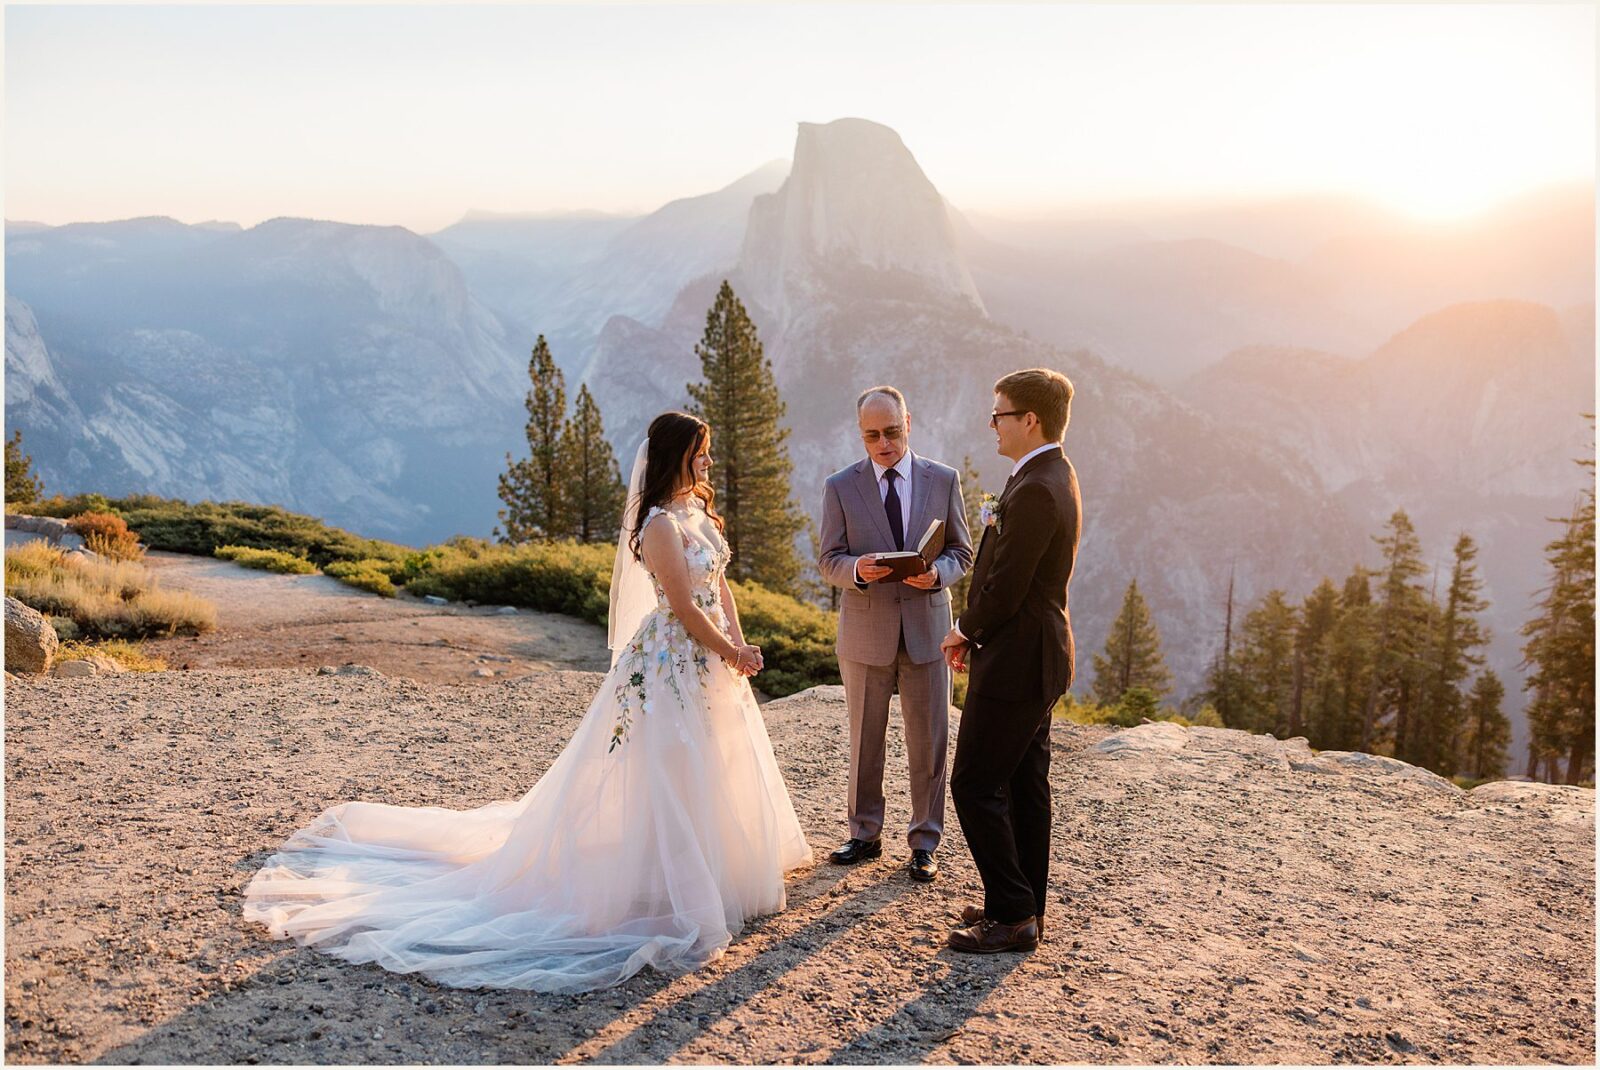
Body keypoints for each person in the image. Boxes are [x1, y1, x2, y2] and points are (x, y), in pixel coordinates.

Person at [241, 411, 812, 992]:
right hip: (673, 661)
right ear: (676, 457)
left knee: (710, 764)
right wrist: (730, 653)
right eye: (701, 452)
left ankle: (706, 873)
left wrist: (738, 645)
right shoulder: (662, 526)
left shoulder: (697, 514)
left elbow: (719, 589)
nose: (709, 462)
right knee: (667, 768)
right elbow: (686, 611)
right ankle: (665, 882)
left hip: (712, 658)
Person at [939, 368, 1081, 954]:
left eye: (999, 414)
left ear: (1030, 420)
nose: (991, 425)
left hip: (1021, 659)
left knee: (973, 783)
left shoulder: (1040, 488)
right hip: (1034, 654)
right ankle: (1023, 904)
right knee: (1025, 783)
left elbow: (1009, 585)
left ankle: (1014, 912)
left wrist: (963, 632)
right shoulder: (1046, 475)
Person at [817, 386, 973, 882]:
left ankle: (925, 841)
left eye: (891, 431)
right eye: (872, 435)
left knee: (929, 742)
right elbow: (828, 560)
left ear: (910, 422)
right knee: (866, 738)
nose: (883, 443)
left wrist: (939, 574)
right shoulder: (840, 486)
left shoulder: (943, 479)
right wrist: (858, 569)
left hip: (928, 630)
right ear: (860, 434)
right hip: (865, 634)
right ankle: (864, 834)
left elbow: (961, 552)